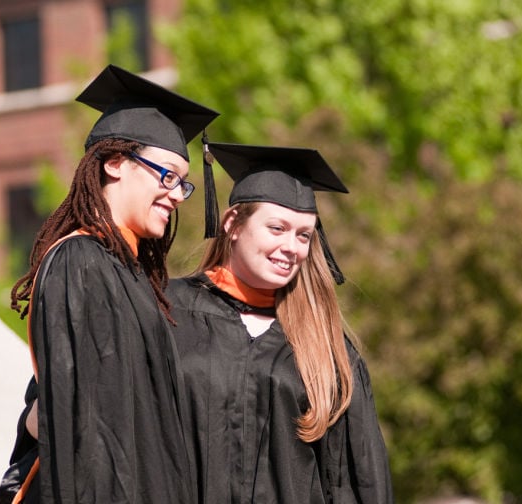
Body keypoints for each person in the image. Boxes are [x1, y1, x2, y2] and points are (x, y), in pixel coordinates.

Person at [0, 64, 219, 504]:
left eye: (183, 184)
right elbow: (90, 428)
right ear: (115, 162)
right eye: (166, 175)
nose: (176, 195)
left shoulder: (134, 276)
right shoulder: (80, 261)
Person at [166, 142, 393, 503]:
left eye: (304, 234)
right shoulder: (169, 312)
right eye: (277, 228)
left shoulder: (327, 347)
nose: (292, 246)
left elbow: (357, 480)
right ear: (232, 225)